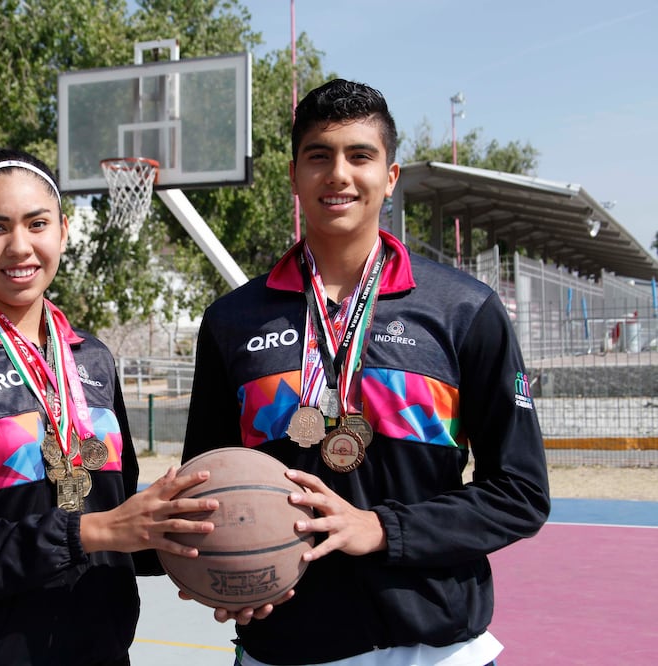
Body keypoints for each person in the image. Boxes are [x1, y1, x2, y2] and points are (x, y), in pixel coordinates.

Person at [181, 79, 550, 665]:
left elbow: (521, 493)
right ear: (295, 175)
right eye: (319, 156)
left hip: (437, 645)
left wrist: (383, 529)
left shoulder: (464, 310)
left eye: (360, 155)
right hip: (287, 644)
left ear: (391, 176)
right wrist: (224, 569)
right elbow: (204, 490)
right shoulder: (232, 321)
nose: (339, 175)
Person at [0, 146, 218, 665]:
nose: (19, 246)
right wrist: (94, 532)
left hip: (101, 652)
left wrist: (199, 547)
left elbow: (112, 520)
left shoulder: (92, 358)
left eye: (36, 224)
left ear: (63, 230)